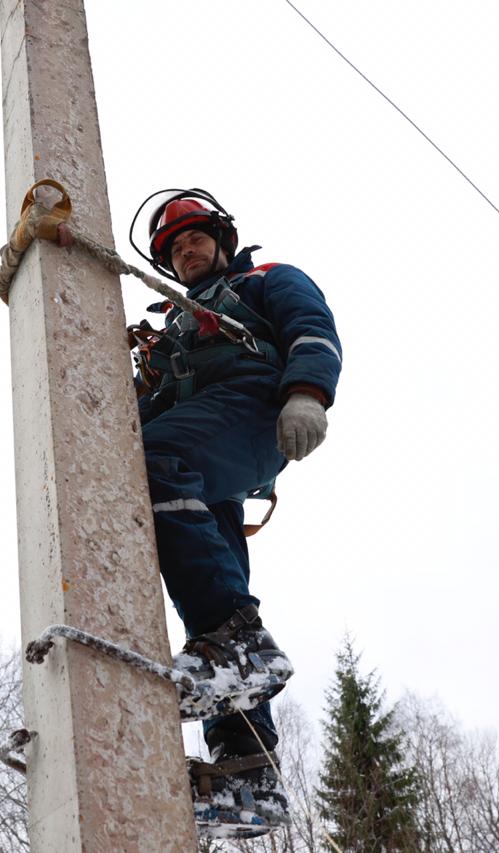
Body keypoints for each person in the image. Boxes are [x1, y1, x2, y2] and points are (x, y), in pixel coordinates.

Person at [128, 188, 341, 827]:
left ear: (221, 241)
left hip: (250, 406)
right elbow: (140, 411)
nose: (187, 251)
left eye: (196, 238)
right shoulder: (171, 330)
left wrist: (307, 393)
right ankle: (246, 766)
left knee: (153, 459)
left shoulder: (263, 282)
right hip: (203, 453)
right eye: (174, 247)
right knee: (206, 589)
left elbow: (313, 326)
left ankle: (241, 645)